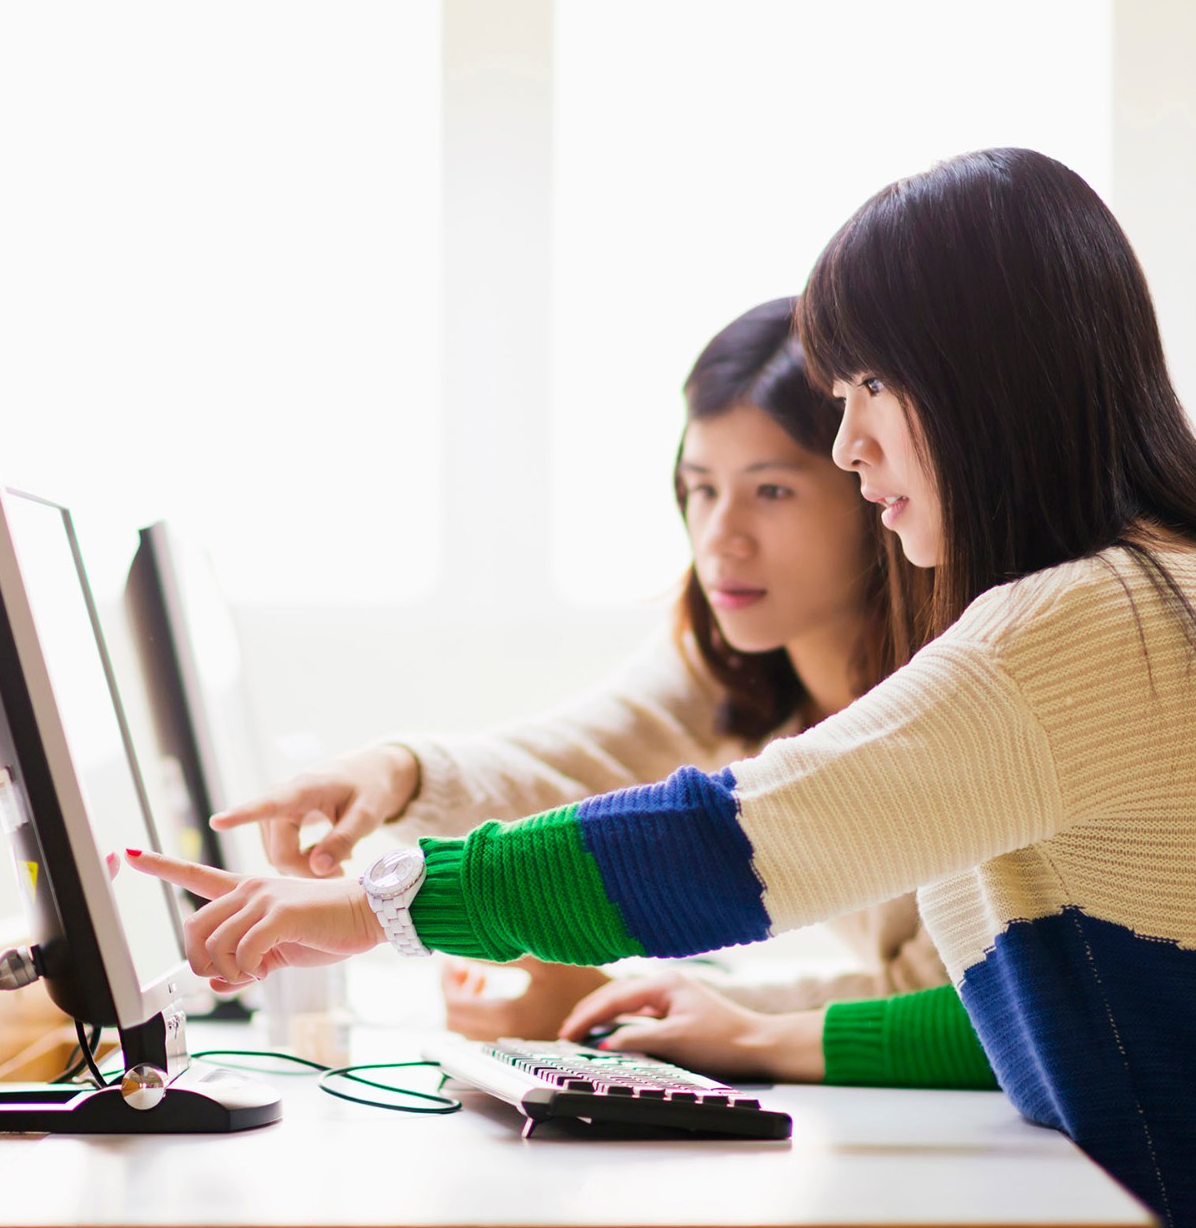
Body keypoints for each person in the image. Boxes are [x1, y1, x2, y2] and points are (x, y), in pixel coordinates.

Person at [128, 147, 1196, 1226]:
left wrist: (377, 904)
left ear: (990, 381)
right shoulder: (1131, 599)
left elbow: (732, 838)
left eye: (875, 384)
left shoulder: (1096, 620)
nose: (849, 440)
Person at [204, 297, 983, 1079]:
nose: (721, 538)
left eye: (771, 491)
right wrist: (394, 772)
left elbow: (978, 1002)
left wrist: (381, 909)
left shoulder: (967, 684)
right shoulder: (731, 656)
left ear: (873, 486)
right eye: (702, 488)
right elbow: (568, 760)